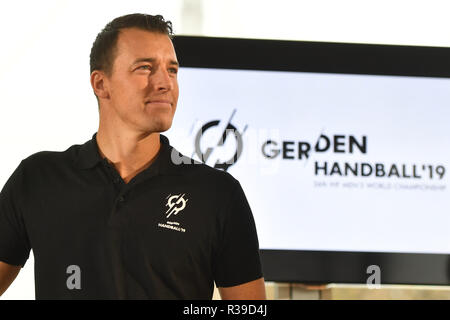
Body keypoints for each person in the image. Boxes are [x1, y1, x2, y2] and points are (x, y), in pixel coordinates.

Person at [0, 13, 266, 299]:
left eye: (172, 70)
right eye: (145, 68)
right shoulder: (38, 178)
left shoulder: (218, 193)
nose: (165, 83)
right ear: (101, 84)